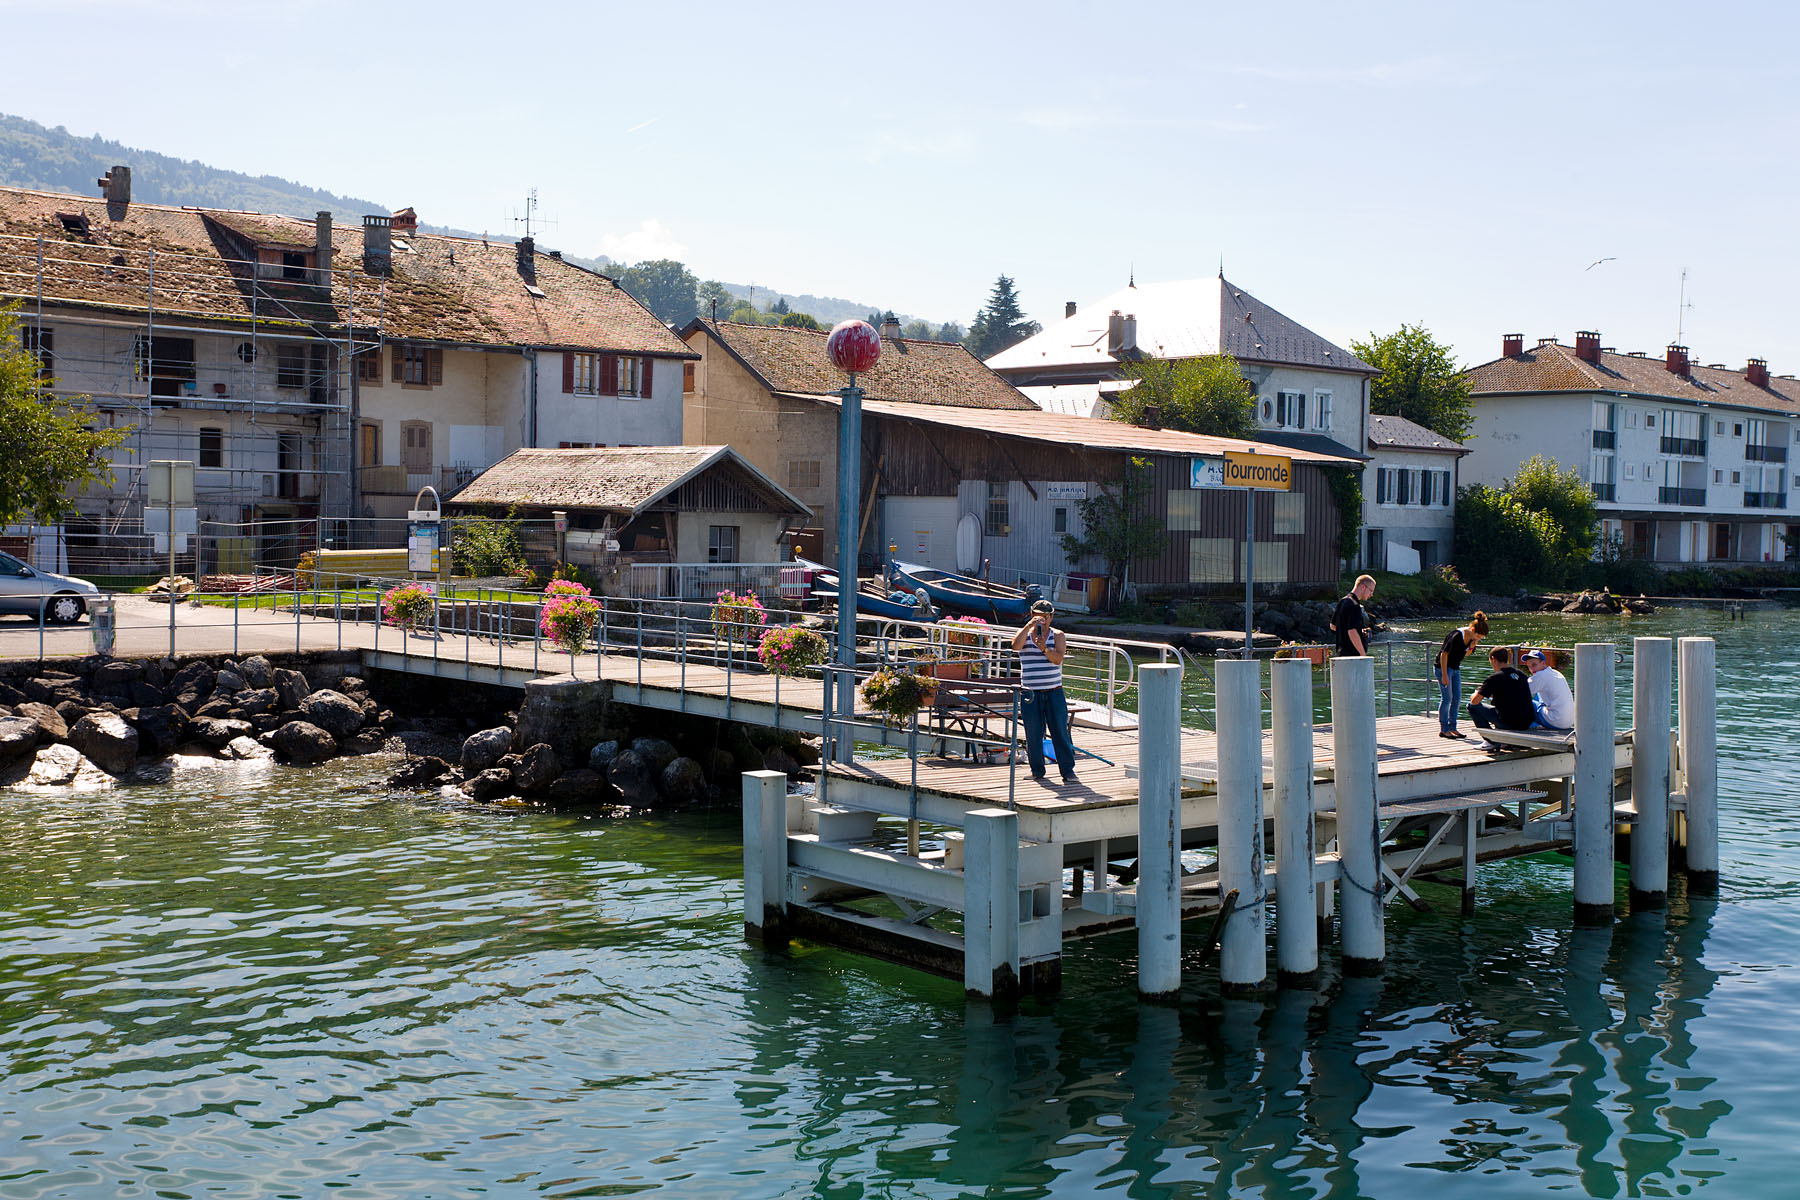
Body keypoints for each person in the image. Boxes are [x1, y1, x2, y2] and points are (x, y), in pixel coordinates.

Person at [1011, 598, 1078, 784]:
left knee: (1060, 732)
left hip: (1053, 692)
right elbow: (1015, 646)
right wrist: (1028, 626)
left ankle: (1068, 771)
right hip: (1030, 693)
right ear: (1032, 615)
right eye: (1038, 616)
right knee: (1033, 733)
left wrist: (1043, 648)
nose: (1042, 620)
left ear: (1051, 617)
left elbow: (1057, 659)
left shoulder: (1058, 635)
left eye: (1046, 617)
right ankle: (1037, 770)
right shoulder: (1024, 634)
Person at [1435, 611, 1489, 738]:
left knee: (1457, 698)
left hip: (1455, 668)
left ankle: (1453, 727)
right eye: (1478, 636)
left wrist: (1472, 646)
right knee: (1447, 698)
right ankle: (1444, 729)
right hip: (1443, 667)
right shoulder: (1457, 635)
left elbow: (1466, 654)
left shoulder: (1472, 639)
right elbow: (1444, 654)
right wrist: (1444, 675)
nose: (1478, 639)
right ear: (1473, 629)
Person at [1467, 645, 1534, 731]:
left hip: (1510, 723)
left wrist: (1476, 692)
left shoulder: (1494, 678)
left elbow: (1475, 701)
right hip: (1526, 723)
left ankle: (1490, 737)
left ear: (1493, 659)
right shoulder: (1521, 674)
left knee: (1471, 706)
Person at [1520, 648, 1575, 731]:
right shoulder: (1556, 673)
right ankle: (1534, 723)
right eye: (1529, 666)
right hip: (1568, 722)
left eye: (1534, 665)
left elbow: (1519, 692)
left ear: (1543, 663)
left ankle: (1527, 724)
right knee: (1538, 695)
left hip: (1555, 722)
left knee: (1523, 701)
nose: (1531, 669)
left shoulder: (1540, 676)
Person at [1333, 574, 1376, 657]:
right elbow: (1352, 631)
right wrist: (1362, 654)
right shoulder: (1355, 605)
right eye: (1371, 591)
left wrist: (1358, 631)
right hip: (1352, 655)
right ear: (1363, 587)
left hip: (1340, 654)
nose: (1371, 594)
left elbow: (1333, 625)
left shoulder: (1342, 601)